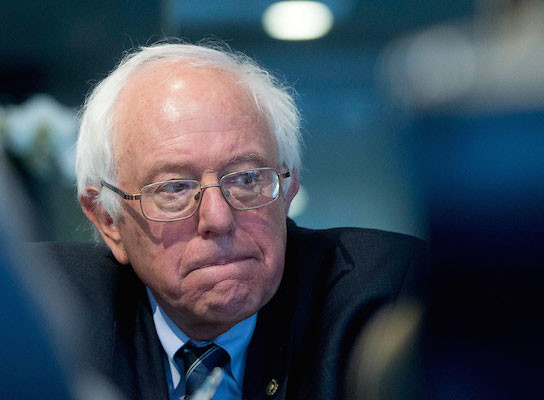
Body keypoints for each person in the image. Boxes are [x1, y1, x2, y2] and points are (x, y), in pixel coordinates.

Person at [41, 42, 426, 400]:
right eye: (174, 188)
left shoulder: (390, 301)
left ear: (289, 186)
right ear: (109, 218)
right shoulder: (45, 317)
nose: (218, 218)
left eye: (246, 178)